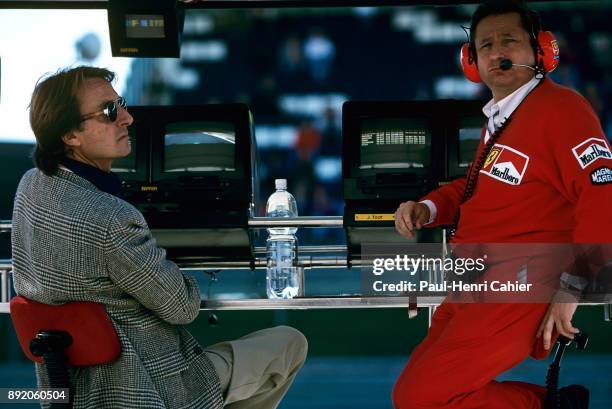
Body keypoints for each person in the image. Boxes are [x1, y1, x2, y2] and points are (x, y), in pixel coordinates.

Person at [11, 66, 308, 409]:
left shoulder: (30, 185)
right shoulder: (112, 218)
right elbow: (181, 308)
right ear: (70, 136)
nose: (127, 118)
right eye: (110, 112)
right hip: (150, 389)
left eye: (121, 104)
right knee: (289, 343)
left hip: (71, 391)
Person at [392, 1, 611, 408]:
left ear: (541, 51)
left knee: (422, 399)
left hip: (523, 280)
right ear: (471, 62)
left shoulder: (562, 109)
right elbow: (478, 188)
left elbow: (603, 196)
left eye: (508, 40)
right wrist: (429, 207)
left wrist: (571, 288)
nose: (496, 52)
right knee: (409, 393)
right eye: (485, 45)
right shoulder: (504, 116)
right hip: (478, 280)